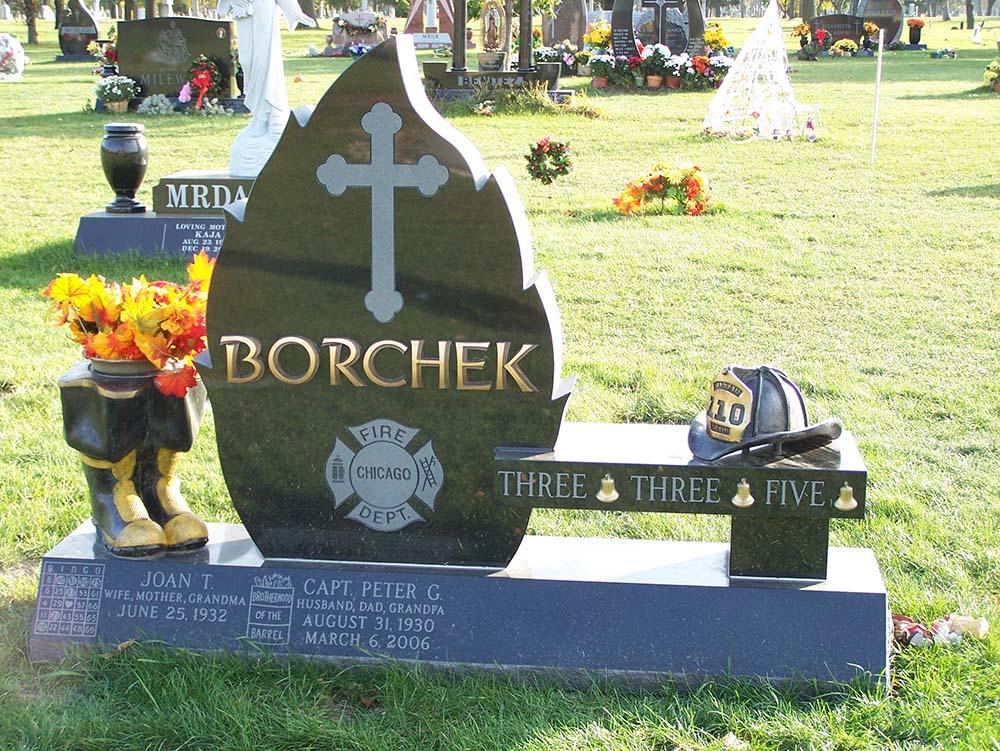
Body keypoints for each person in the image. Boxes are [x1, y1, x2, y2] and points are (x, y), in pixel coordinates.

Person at [217, 0, 315, 177]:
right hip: (243, 10)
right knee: (247, 62)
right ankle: (257, 114)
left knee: (264, 63)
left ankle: (265, 116)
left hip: (263, 9)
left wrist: (294, 11)